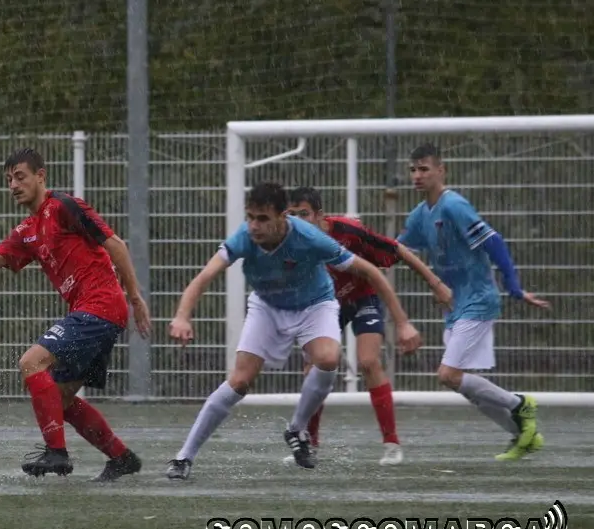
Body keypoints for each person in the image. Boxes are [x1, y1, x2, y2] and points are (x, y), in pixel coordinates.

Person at [165, 182, 422, 478]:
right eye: (250, 217)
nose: (254, 226)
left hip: (315, 305)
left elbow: (371, 271)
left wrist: (403, 322)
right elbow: (204, 277)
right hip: (267, 306)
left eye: (263, 218)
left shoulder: (310, 237)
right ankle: (183, 458)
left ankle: (297, 429)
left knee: (328, 358)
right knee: (240, 381)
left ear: (282, 216)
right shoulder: (243, 237)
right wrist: (182, 317)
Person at [0, 148, 151, 481]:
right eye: (9, 180)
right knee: (60, 399)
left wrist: (135, 298)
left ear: (40, 176)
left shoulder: (63, 206)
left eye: (20, 177)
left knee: (31, 362)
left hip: (101, 306)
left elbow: (115, 244)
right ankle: (121, 457)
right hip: (94, 312)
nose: (13, 185)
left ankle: (56, 453)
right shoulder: (27, 231)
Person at [399, 144, 549, 460]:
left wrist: (514, 287)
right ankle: (523, 434)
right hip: (455, 307)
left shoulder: (454, 205)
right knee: (461, 383)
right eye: (413, 169)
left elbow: (494, 242)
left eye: (424, 169)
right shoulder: (420, 215)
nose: (417, 175)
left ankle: (519, 404)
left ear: (441, 170)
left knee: (447, 375)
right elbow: (395, 249)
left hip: (479, 301)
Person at [286, 187, 453, 466]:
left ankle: (391, 444)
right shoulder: (287, 245)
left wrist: (433, 286)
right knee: (315, 368)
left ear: (320, 215)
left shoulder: (348, 232)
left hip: (363, 296)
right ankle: (308, 444)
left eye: (304, 214)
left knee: (368, 361)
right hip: (326, 306)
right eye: (291, 215)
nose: (298, 221)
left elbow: (397, 250)